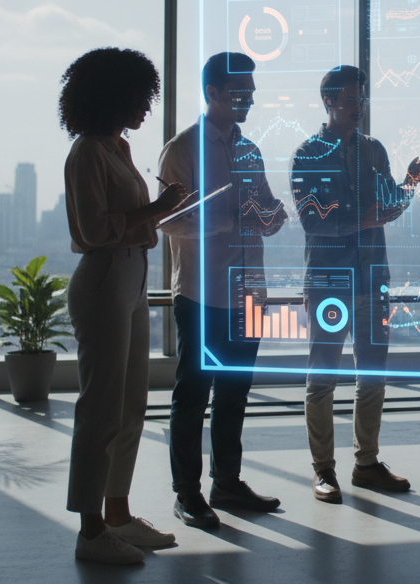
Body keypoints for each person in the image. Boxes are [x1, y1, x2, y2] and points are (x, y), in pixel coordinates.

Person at [61, 47, 188, 565]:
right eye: (139, 98)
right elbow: (92, 231)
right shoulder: (88, 152)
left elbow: (131, 221)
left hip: (131, 274)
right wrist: (157, 209)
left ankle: (117, 514)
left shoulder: (118, 148)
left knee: (131, 404)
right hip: (106, 277)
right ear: (114, 96)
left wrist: (152, 218)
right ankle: (91, 530)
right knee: (101, 407)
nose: (146, 109)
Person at [292, 65, 420, 503]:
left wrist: (409, 183)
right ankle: (323, 471)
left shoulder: (374, 151)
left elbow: (388, 206)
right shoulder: (308, 153)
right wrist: (362, 220)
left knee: (372, 377)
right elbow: (311, 221)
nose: (359, 107)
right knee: (323, 379)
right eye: (351, 100)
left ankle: (366, 464)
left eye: (363, 99)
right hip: (329, 281)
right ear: (329, 102)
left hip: (373, 279)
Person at [158, 52, 288, 528]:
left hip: (249, 291)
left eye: (252, 91)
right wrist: (234, 220)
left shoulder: (249, 149)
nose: (249, 99)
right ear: (212, 92)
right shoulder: (183, 150)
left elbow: (268, 209)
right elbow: (170, 222)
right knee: (193, 395)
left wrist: (274, 218)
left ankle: (227, 484)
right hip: (202, 293)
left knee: (235, 392)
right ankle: (187, 492)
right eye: (240, 91)